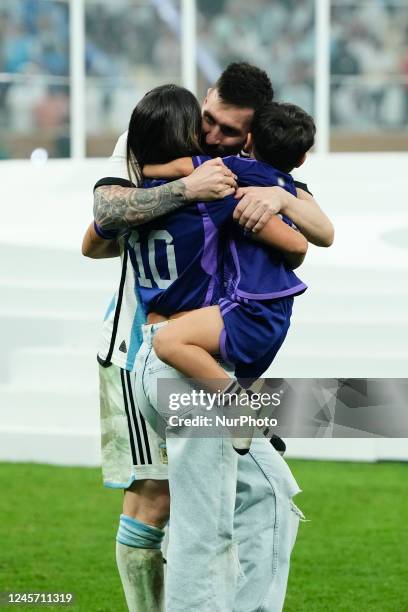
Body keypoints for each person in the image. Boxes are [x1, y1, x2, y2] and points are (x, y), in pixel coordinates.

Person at [83, 63, 333, 611]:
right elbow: (100, 220)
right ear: (204, 100)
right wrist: (186, 190)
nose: (215, 135)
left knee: (217, 499)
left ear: (252, 134)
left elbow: (309, 232)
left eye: (230, 131)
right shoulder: (151, 140)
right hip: (140, 343)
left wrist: (282, 199)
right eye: (210, 120)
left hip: (199, 345)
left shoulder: (241, 169)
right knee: (162, 498)